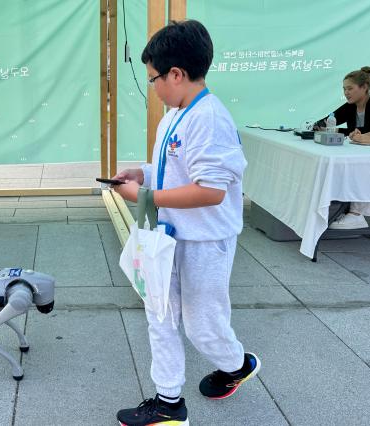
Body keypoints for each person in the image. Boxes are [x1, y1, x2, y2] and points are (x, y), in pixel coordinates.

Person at [111, 20, 259, 426]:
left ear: (176, 74)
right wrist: (143, 173)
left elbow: (210, 191)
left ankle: (237, 364)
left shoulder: (209, 118)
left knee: (201, 323)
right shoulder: (175, 115)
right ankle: (168, 403)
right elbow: (172, 169)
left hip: (204, 241)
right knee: (158, 313)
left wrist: (145, 197)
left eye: (154, 78)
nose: (153, 87)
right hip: (167, 236)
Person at [316, 66, 370, 232]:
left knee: (362, 167)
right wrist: (320, 127)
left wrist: (361, 135)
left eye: (350, 88)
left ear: (364, 88)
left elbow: (367, 133)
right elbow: (326, 122)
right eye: (344, 89)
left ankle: (357, 214)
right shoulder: (350, 106)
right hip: (363, 155)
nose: (346, 92)